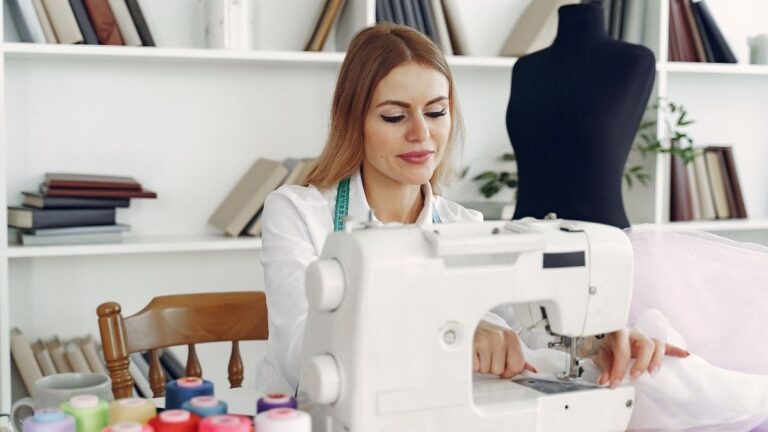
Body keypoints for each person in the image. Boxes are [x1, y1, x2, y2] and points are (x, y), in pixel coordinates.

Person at [255, 22, 683, 406]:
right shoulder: (298, 212)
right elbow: (302, 357)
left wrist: (595, 342)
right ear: (353, 121)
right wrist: (453, 334)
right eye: (394, 115)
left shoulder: (465, 227)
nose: (421, 133)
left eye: (436, 112)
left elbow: (531, 320)